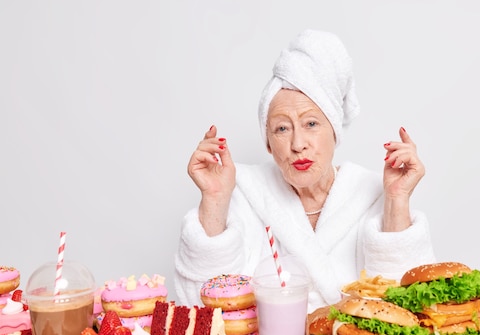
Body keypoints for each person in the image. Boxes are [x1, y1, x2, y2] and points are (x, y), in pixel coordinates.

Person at [174, 29, 436, 312]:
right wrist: (214, 198)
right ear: (269, 144)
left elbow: (408, 309)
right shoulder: (243, 192)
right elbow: (200, 307)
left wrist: (397, 200)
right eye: (282, 128)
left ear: (333, 132)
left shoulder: (372, 193)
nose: (298, 144)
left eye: (311, 124)